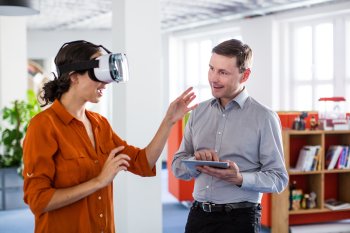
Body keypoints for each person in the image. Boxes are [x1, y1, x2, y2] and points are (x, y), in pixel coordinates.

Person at [22, 40, 197, 233]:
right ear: (73, 77)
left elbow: (142, 162)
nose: (105, 83)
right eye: (97, 74)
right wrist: (98, 182)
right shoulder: (43, 126)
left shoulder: (99, 124)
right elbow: (38, 200)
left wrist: (169, 121)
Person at [171, 39, 289, 233]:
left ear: (245, 75)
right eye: (211, 69)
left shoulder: (264, 117)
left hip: (239, 220)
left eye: (223, 72)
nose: (213, 78)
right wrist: (195, 161)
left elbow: (278, 179)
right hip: (198, 216)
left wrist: (240, 178)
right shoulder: (198, 113)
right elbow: (177, 167)